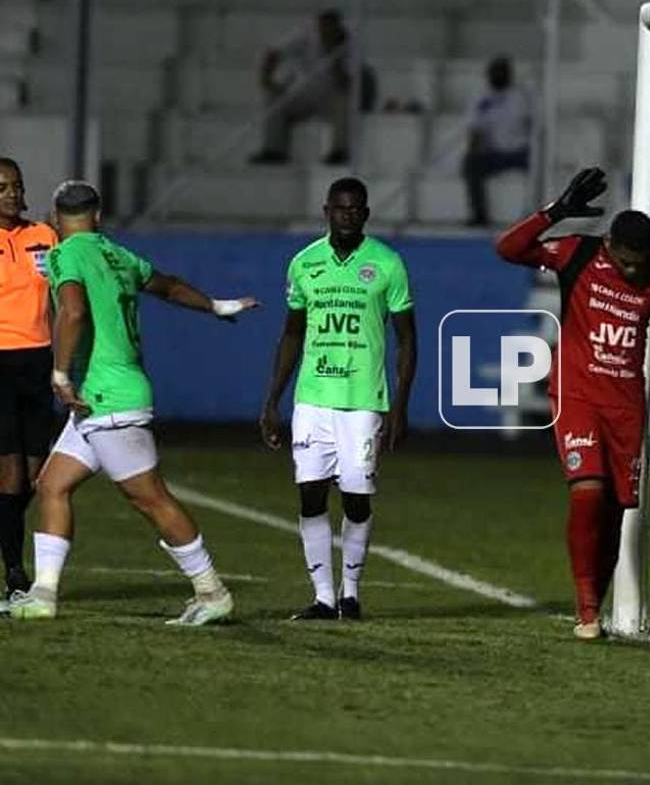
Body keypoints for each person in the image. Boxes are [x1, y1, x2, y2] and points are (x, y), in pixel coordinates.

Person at [8, 180, 258, 623]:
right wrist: (216, 306)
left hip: (106, 397)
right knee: (52, 486)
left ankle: (211, 590)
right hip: (99, 400)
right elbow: (169, 287)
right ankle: (43, 595)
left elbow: (73, 311)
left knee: (150, 498)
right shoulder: (118, 254)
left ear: (54, 217)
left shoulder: (66, 254)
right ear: (98, 216)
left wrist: (60, 372)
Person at [495, 168, 650, 640]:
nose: (633, 271)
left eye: (639, 263)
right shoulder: (579, 252)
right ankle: (586, 610)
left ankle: (598, 603)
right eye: (626, 261)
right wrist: (556, 212)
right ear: (610, 244)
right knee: (587, 491)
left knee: (614, 510)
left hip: (626, 404)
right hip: (577, 392)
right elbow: (507, 249)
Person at [259, 177, 417, 621]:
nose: (348, 215)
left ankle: (352, 592)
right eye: (340, 208)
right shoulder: (304, 264)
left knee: (356, 499)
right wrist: (272, 400)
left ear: (365, 214)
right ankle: (324, 598)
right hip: (312, 400)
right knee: (310, 496)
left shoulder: (387, 264)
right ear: (326, 211)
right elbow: (292, 333)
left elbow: (407, 339)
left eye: (356, 209)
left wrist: (400, 405)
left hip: (364, 401)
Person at [0, 158, 57, 602]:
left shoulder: (45, 236)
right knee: (11, 473)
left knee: (36, 476)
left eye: (16, 186)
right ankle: (16, 572)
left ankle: (6, 530)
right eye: (3, 187)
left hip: (38, 363)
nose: (12, 194)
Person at [250, 9, 353, 166]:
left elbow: (345, 83)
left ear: (338, 27)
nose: (325, 30)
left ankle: (339, 152)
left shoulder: (348, 44)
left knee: (344, 102)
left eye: (330, 27)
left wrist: (334, 56)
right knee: (273, 98)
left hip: (330, 98)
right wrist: (267, 80)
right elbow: (273, 53)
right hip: (302, 94)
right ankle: (274, 151)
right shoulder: (306, 37)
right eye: (322, 26)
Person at [463, 56, 533, 226]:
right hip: (495, 154)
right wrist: (474, 152)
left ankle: (533, 217)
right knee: (470, 164)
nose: (499, 75)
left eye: (502, 72)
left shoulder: (521, 96)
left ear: (509, 74)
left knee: (541, 165)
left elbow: (533, 124)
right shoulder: (481, 99)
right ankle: (479, 215)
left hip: (521, 152)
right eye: (495, 72)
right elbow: (475, 129)